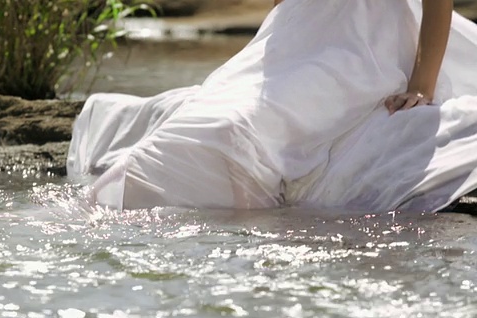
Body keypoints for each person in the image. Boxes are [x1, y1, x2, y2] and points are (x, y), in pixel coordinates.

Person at [67, 0, 477, 212]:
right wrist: (263, 54)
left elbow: (436, 4)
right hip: (297, 33)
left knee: (233, 129)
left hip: (366, 43)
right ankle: (108, 206)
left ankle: (120, 208)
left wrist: (422, 85)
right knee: (219, 115)